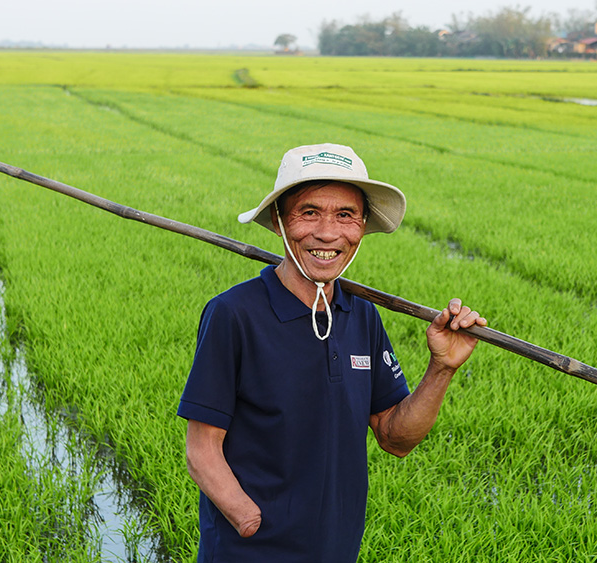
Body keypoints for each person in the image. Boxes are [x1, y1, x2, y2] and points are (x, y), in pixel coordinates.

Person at [177, 143, 487, 562]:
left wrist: (442, 368)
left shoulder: (362, 317)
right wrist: (251, 521)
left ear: (361, 227)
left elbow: (395, 438)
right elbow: (202, 451)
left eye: (345, 215)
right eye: (309, 212)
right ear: (280, 221)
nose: (327, 233)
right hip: (250, 550)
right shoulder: (234, 315)